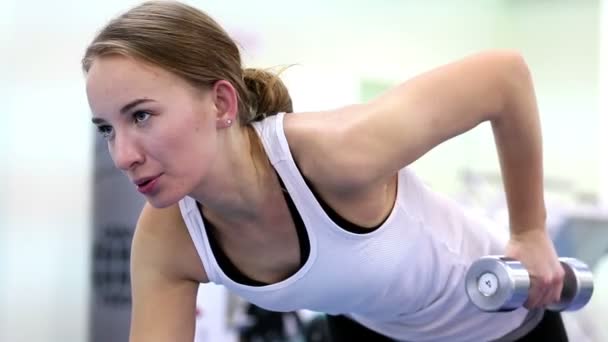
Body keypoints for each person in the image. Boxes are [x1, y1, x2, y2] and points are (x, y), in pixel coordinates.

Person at [82, 1, 569, 341]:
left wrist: (529, 230)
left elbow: (504, 76)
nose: (123, 155)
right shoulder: (168, 237)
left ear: (222, 103)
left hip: (500, 324)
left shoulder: (339, 153)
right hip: (370, 331)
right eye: (107, 128)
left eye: (141, 115)